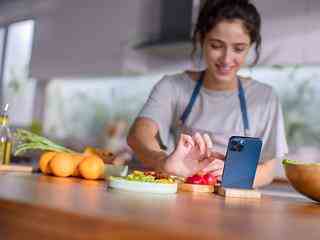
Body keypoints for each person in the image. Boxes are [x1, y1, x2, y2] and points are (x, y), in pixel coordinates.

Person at [127, 0, 288, 188]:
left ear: (251, 45)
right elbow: (139, 134)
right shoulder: (172, 86)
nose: (227, 59)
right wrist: (163, 162)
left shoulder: (264, 97)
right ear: (201, 39)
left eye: (238, 48)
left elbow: (268, 170)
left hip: (235, 202)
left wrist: (232, 176)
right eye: (216, 45)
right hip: (185, 194)